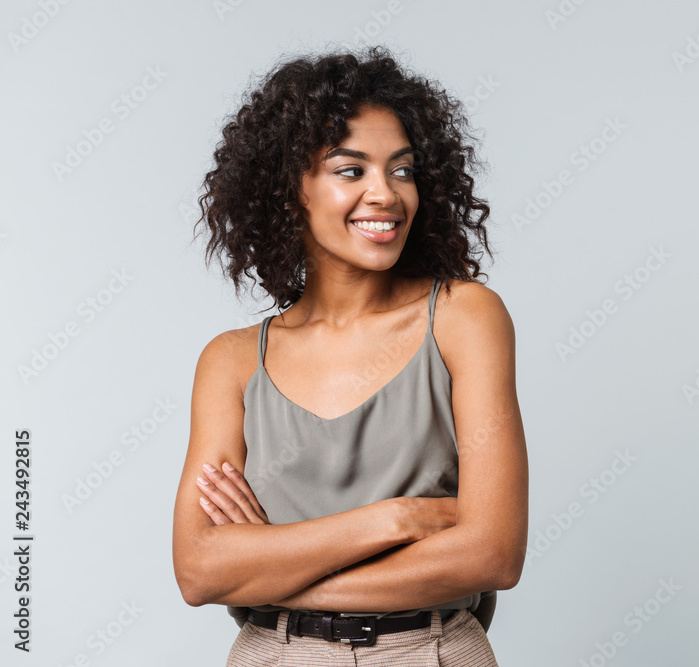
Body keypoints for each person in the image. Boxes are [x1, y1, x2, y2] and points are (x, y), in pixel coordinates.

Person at [171, 45, 528, 666]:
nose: (385, 194)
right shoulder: (229, 362)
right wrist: (396, 520)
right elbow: (200, 571)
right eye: (350, 170)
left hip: (431, 651)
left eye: (402, 169)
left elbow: (492, 553)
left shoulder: (465, 318)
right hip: (272, 656)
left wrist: (273, 569)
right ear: (291, 191)